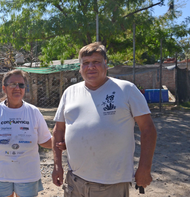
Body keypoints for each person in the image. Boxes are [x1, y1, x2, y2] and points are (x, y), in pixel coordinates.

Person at [52, 42, 157, 197]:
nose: (91, 67)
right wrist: (57, 166)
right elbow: (59, 130)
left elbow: (148, 129)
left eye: (96, 62)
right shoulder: (70, 92)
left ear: (106, 65)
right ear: (80, 68)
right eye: (86, 63)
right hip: (75, 181)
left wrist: (144, 168)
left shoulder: (126, 89)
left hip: (111, 184)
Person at [0, 69, 52, 197]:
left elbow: (46, 141)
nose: (17, 88)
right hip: (0, 175)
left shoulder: (34, 112)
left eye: (21, 85)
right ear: (4, 88)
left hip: (28, 175)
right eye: (13, 84)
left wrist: (69, 141)